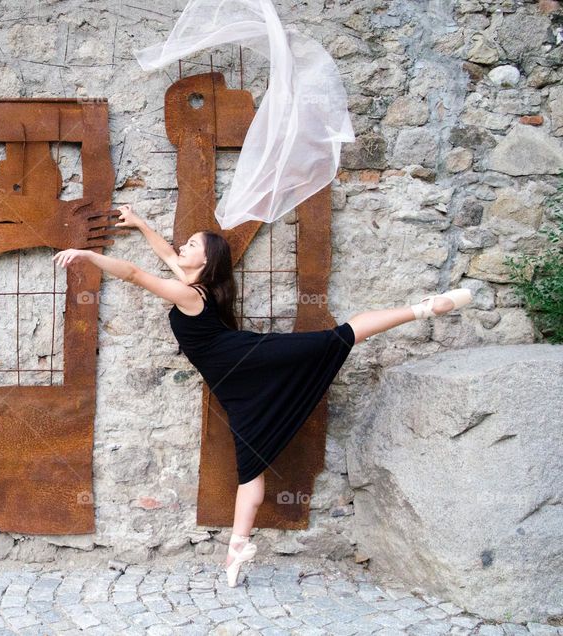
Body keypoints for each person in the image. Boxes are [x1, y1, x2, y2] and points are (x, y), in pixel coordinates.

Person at [52, 203, 472, 587]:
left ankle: (423, 308)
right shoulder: (194, 286)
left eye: (192, 244)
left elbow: (133, 273)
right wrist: (142, 224)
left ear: (206, 260)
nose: (182, 245)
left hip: (249, 360)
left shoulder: (189, 295)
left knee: (338, 337)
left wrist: (88, 256)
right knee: (250, 467)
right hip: (235, 385)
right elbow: (163, 255)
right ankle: (237, 552)